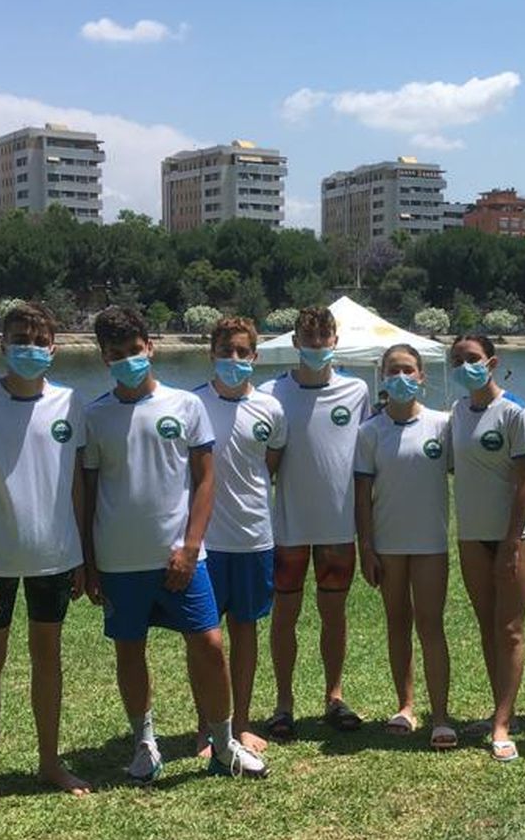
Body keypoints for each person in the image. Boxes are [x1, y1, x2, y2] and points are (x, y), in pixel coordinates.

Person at [80, 306, 265, 781]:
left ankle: (223, 745)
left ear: (150, 347)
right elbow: (88, 493)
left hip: (182, 556)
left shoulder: (186, 405)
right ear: (104, 357)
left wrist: (190, 546)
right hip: (119, 559)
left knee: (209, 642)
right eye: (116, 354)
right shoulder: (95, 415)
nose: (127, 360)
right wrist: (89, 560)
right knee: (129, 649)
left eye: (134, 350)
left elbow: (205, 481)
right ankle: (145, 744)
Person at [0, 301, 91, 809]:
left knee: (47, 659)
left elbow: (76, 483)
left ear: (53, 347)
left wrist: (81, 555)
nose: (29, 348)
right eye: (19, 339)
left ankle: (49, 761)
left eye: (39, 340)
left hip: (55, 557)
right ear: (3, 346)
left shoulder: (71, 404)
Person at [258, 307, 372, 739]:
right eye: (309, 342)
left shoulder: (356, 390)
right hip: (287, 526)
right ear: (295, 344)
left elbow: (365, 460)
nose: (317, 349)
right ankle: (283, 704)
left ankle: (334, 696)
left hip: (338, 528)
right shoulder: (271, 393)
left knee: (334, 615)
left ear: (335, 343)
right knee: (285, 614)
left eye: (323, 342)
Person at [193, 316, 287, 757]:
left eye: (242, 352)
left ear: (255, 356)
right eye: (225, 350)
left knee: (245, 632)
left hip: (254, 538)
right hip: (204, 544)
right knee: (204, 639)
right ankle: (208, 729)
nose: (233, 359)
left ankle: (242, 724)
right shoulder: (190, 406)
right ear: (211, 352)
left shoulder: (270, 409)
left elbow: (269, 464)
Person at [353, 344, 455, 749]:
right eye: (392, 370)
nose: (400, 377)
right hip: (388, 544)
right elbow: (362, 495)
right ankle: (406, 705)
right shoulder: (369, 432)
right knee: (397, 622)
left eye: (408, 370)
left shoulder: (442, 426)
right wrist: (367, 546)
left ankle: (441, 715)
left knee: (431, 625)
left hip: (430, 543)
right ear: (382, 376)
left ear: (421, 376)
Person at [447, 333, 525, 764]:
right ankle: (499, 709)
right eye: (457, 360)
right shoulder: (456, 412)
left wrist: (509, 542)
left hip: (514, 536)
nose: (465, 365)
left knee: (510, 628)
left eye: (473, 359)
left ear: (492, 362)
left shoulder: (516, 414)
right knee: (487, 625)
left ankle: (503, 723)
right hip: (471, 535)